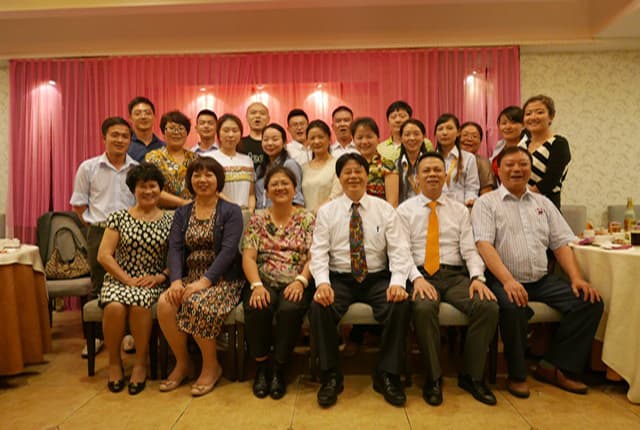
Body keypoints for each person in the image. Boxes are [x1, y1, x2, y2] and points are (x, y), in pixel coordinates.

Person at [471, 146, 603, 399]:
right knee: (513, 307)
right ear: (498, 170)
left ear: (531, 169)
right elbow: (484, 245)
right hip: (503, 279)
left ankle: (555, 366)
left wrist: (576, 278)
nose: (517, 169)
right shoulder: (486, 203)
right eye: (510, 165)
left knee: (589, 302)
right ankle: (517, 374)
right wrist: (508, 281)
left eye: (523, 164)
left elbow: (561, 243)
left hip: (541, 280)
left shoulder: (543, 203)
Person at [309, 153, 412, 408]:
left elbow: (399, 250)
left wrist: (398, 282)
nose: (353, 176)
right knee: (319, 305)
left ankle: (387, 374)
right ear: (339, 177)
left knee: (399, 303)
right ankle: (331, 376)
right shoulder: (327, 212)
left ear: (367, 175)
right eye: (347, 172)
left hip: (377, 278)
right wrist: (322, 283)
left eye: (358, 171)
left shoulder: (384, 209)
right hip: (340, 278)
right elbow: (318, 251)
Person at [397, 152, 498, 406]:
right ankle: (433, 378)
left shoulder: (460, 211)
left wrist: (477, 277)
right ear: (416, 178)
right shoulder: (404, 210)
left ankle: (472, 376)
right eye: (426, 170)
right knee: (423, 307)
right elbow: (401, 252)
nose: (432, 174)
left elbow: (469, 249)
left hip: (454, 276)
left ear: (445, 176)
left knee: (487, 306)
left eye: (437, 170)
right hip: (420, 274)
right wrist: (416, 279)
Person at [157, 156, 245, 397]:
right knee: (165, 303)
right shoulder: (182, 212)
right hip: (190, 276)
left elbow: (229, 251)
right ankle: (183, 363)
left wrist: (205, 282)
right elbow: (175, 248)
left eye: (208, 175)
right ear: (190, 180)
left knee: (196, 303)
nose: (202, 179)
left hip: (223, 279)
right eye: (197, 175)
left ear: (219, 180)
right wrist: (176, 281)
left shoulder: (231, 211)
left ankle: (211, 366)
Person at [97, 163, 173, 395]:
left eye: (153, 186)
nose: (148, 191)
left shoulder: (171, 219)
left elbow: (177, 256)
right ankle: (114, 362)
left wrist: (161, 276)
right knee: (114, 307)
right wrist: (127, 279)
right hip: (119, 278)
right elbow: (104, 255)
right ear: (133, 189)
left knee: (140, 304)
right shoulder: (118, 217)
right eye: (142, 186)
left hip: (152, 280)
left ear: (160, 188)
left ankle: (141, 363)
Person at [242, 166, 315, 399]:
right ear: (266, 191)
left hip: (297, 279)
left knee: (290, 309)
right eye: (275, 184)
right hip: (263, 279)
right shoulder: (257, 219)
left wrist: (301, 281)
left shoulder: (307, 218)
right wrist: (256, 286)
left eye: (285, 183)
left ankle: (279, 367)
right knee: (258, 306)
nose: (280, 188)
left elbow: (314, 256)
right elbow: (249, 257)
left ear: (295, 190)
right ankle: (261, 366)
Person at [71, 116, 138, 357]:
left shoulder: (136, 169)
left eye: (125, 136)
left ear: (130, 141)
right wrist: (94, 227)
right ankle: (96, 337)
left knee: (129, 281)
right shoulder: (88, 168)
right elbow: (79, 204)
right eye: (115, 135)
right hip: (99, 231)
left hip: (131, 233)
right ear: (104, 138)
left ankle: (129, 334)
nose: (120, 140)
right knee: (99, 284)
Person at [519, 95, 570, 208]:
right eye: (528, 114)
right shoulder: (521, 146)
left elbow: (550, 181)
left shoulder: (558, 143)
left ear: (551, 116)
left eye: (539, 112)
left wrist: (521, 196)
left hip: (546, 207)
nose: (533, 117)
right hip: (519, 207)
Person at [145, 110, 198, 208]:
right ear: (163, 132)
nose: (176, 132)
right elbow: (150, 188)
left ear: (187, 133)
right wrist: (183, 203)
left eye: (181, 128)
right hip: (162, 213)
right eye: (171, 128)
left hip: (192, 211)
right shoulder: (153, 157)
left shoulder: (195, 158)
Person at [206, 113, 256, 211]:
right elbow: (213, 191)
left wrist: (250, 211)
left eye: (235, 130)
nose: (231, 135)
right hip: (220, 213)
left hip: (245, 213)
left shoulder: (247, 160)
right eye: (226, 130)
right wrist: (235, 208)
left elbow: (251, 194)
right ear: (218, 133)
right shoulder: (209, 158)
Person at [434, 113, 480, 206]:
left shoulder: (468, 158)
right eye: (440, 129)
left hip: (460, 208)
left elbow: (471, 188)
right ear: (436, 134)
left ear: (458, 132)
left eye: (449, 128)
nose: (444, 133)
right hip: (435, 207)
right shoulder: (430, 159)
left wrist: (470, 201)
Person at [255, 123, 304, 209]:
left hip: (283, 214)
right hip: (261, 214)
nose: (270, 143)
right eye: (265, 139)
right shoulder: (260, 168)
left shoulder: (289, 165)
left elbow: (297, 200)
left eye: (275, 139)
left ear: (284, 142)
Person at [301, 120, 342, 211]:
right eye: (312, 138)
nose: (316, 141)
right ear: (307, 141)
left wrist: (316, 213)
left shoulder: (338, 165)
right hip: (306, 218)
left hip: (329, 215)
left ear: (329, 139)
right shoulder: (303, 168)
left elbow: (336, 195)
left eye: (320, 137)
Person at [396, 119, 431, 204]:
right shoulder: (395, 165)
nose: (412, 138)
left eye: (416, 134)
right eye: (407, 134)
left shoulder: (431, 164)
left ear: (423, 137)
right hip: (403, 210)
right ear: (401, 138)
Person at [460, 121, 496, 195]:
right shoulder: (450, 158)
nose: (469, 139)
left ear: (480, 142)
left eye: (475, 136)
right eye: (465, 135)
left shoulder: (483, 163)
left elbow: (486, 193)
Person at [127, 96, 165, 162]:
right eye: (138, 114)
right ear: (130, 118)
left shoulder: (164, 147)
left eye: (148, 113)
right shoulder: (125, 145)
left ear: (154, 117)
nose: (143, 117)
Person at [490, 105, 524, 177]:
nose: (508, 127)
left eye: (513, 122)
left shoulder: (528, 146)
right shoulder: (499, 145)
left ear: (523, 125)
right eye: (504, 123)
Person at [239, 102, 270, 171]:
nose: (257, 116)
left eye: (262, 113)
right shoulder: (239, 143)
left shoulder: (274, 144)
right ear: (246, 118)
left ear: (268, 119)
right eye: (253, 113)